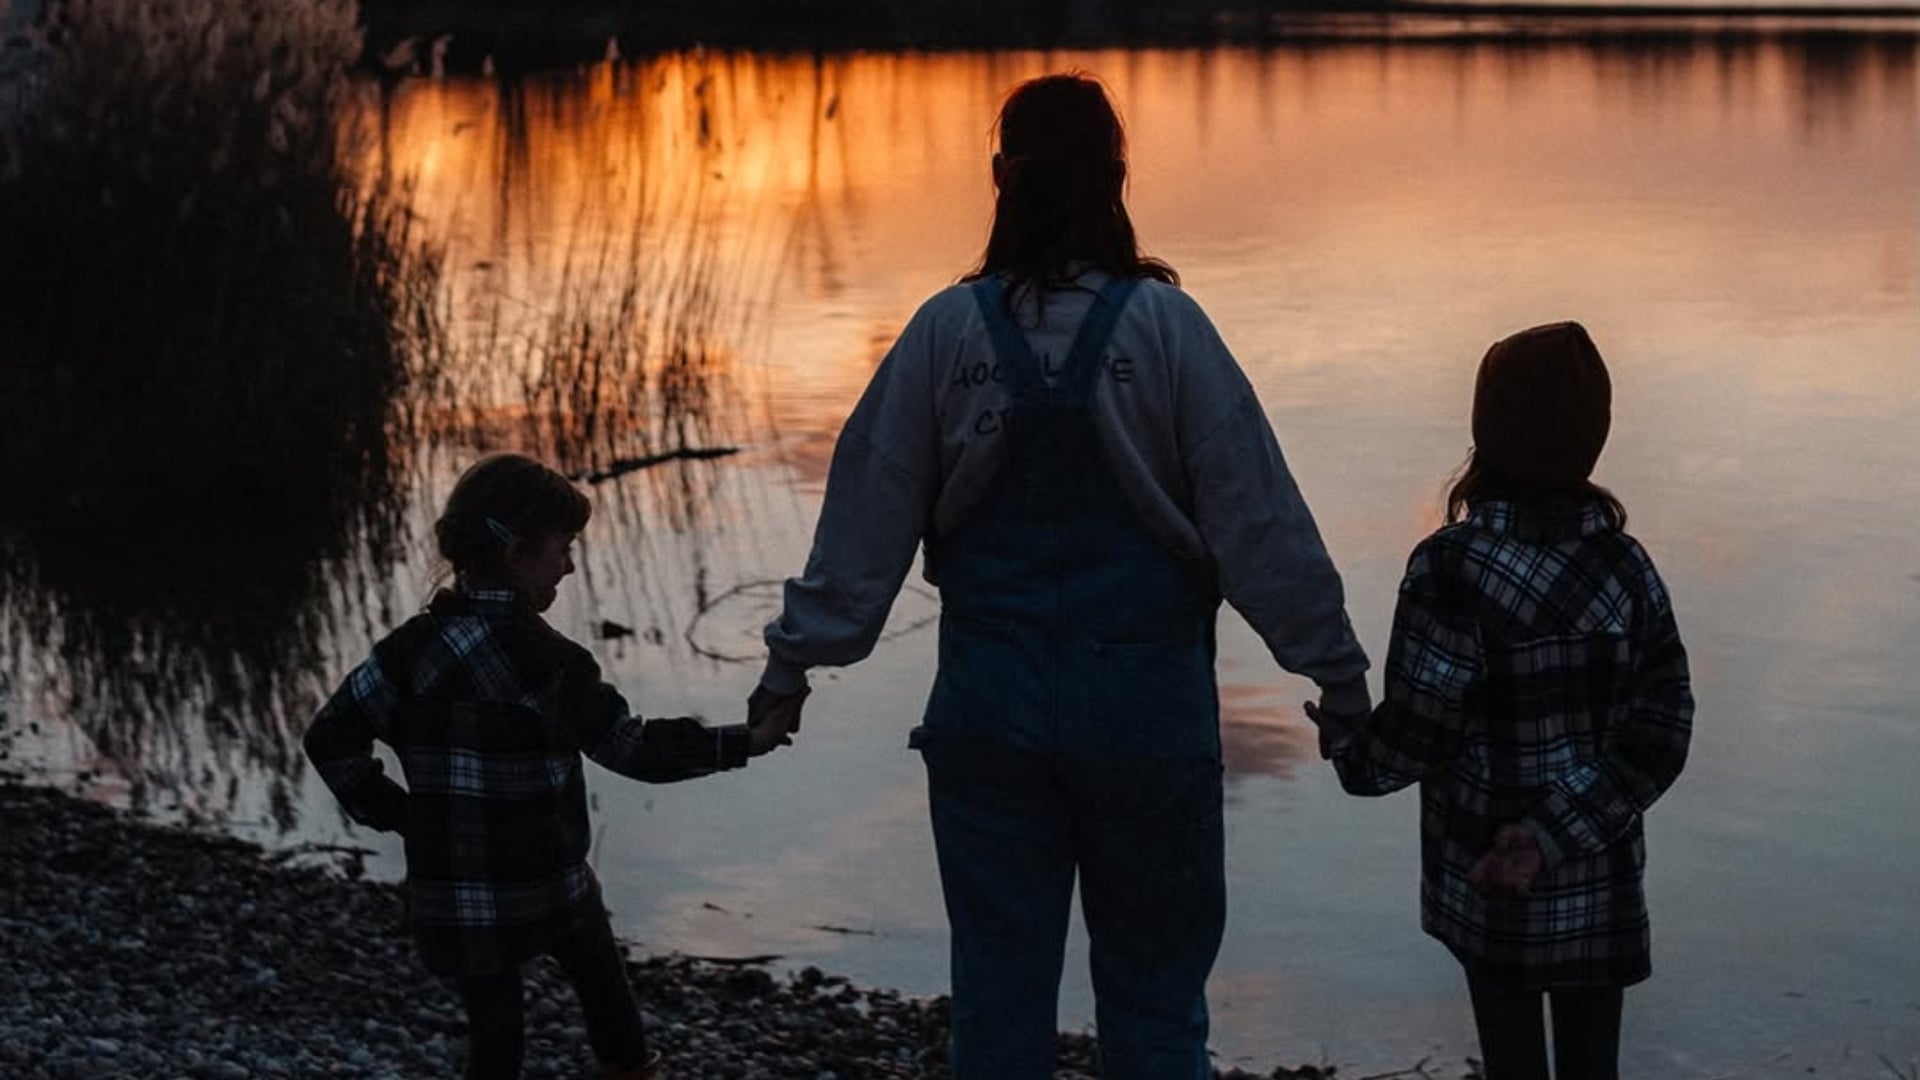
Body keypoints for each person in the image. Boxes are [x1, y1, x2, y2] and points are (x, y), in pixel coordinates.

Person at [750, 73, 1372, 1080]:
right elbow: (1263, 528)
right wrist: (1337, 683)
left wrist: (792, 670)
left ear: (1000, 179)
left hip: (988, 717)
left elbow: (861, 527)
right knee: (1159, 1014)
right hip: (1147, 721)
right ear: (1117, 180)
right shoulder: (1170, 333)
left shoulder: (945, 334)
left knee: (997, 1011)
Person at [305, 452, 797, 1080]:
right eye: (563, 547)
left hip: (457, 898)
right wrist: (744, 742)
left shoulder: (405, 653)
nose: (568, 563)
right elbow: (632, 748)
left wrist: (399, 813)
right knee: (607, 997)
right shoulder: (550, 662)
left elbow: (330, 737)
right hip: (552, 889)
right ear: (517, 554)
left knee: (496, 1034)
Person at [1310, 322, 1695, 1080]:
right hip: (1597, 871)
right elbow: (1663, 729)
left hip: (1489, 877)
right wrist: (1556, 834)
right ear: (1595, 438)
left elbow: (1422, 729)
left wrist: (1353, 753)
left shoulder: (1451, 568)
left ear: (1486, 431)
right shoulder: (1625, 566)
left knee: (1512, 1066)